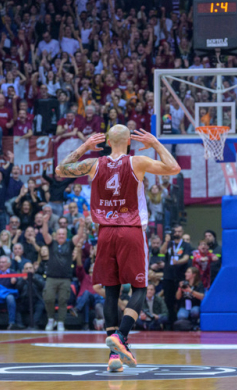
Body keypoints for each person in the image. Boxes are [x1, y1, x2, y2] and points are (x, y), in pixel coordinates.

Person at [56, 126, 180, 372]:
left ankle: (114, 357)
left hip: (105, 233)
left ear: (108, 142)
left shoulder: (93, 164)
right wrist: (155, 143)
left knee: (111, 291)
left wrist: (83, 147)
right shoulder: (138, 161)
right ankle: (121, 337)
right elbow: (173, 167)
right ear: (129, 142)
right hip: (130, 230)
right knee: (139, 288)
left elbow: (61, 169)